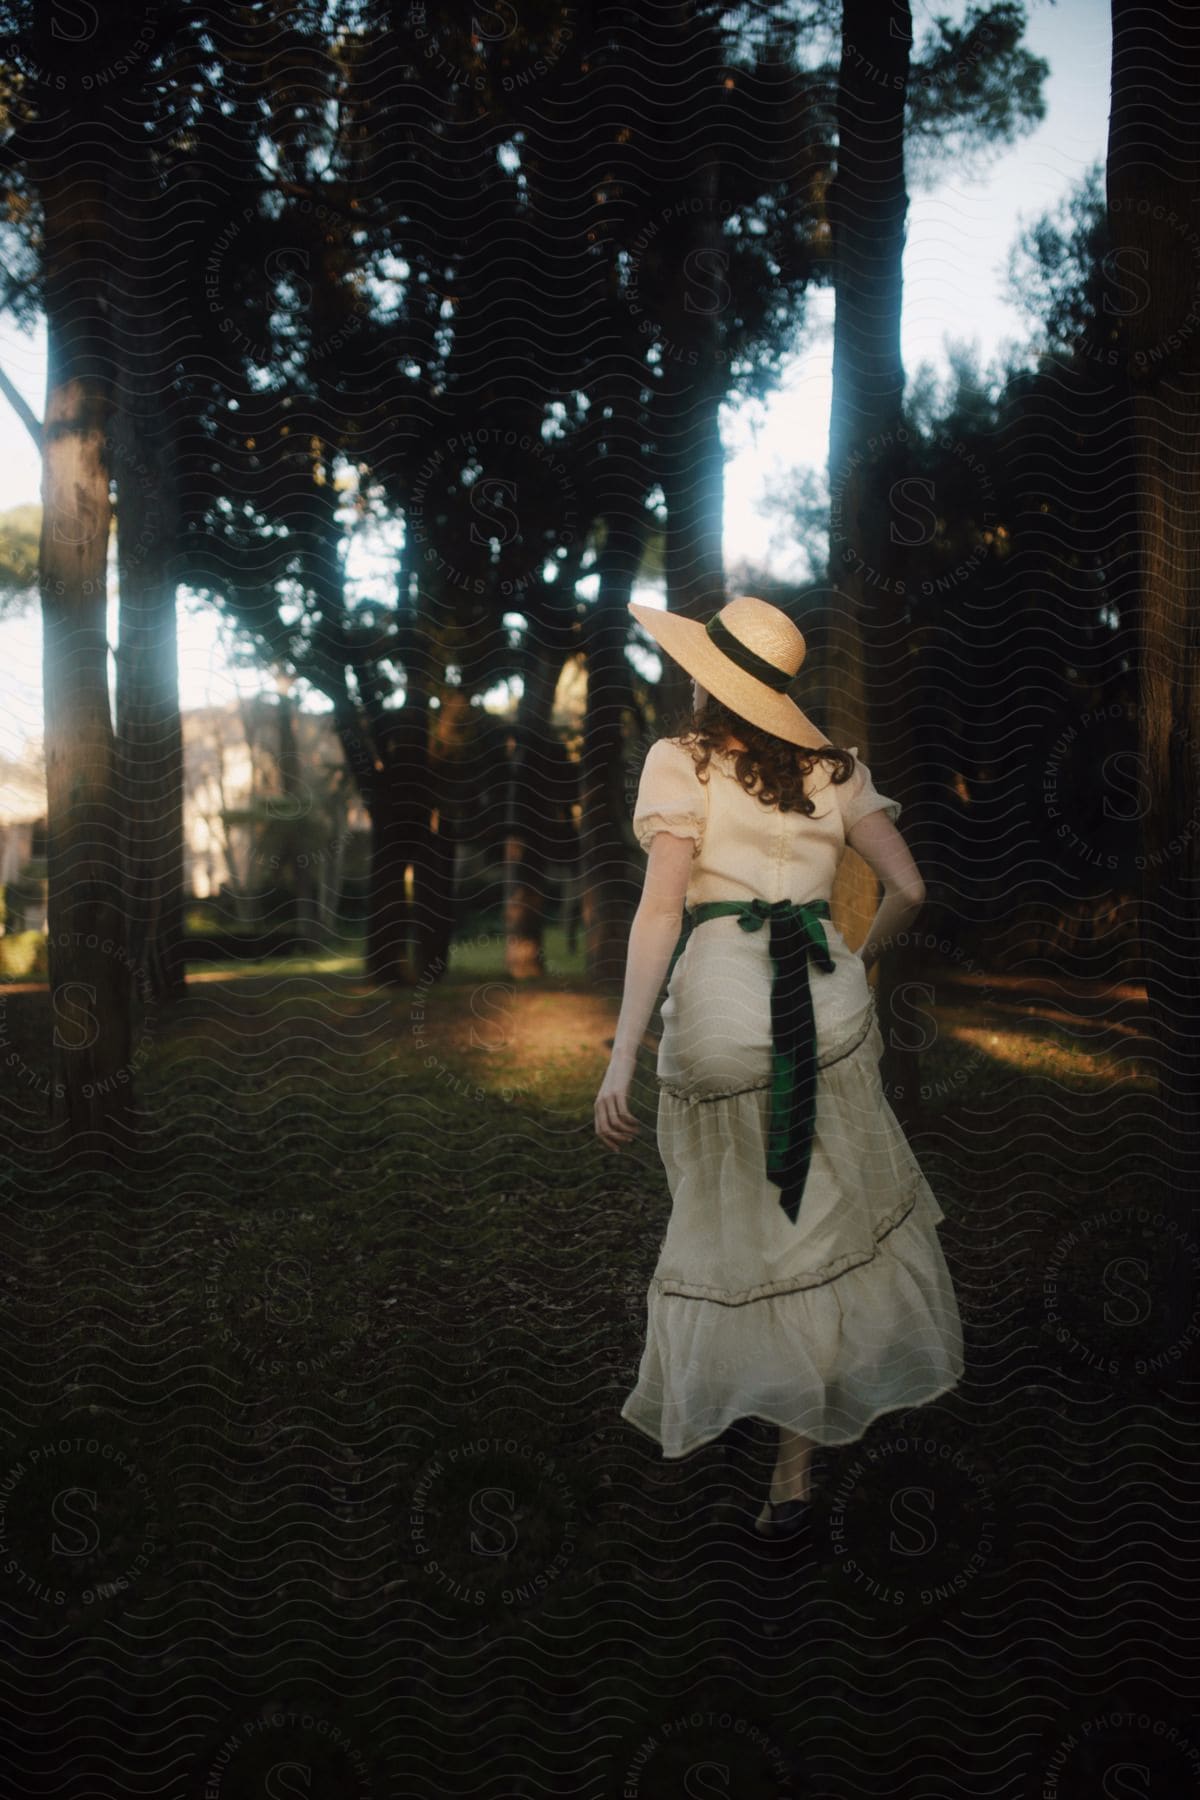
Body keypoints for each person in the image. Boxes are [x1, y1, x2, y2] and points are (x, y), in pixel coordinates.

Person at [594, 595, 964, 1539]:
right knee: (819, 1227)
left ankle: (749, 1395)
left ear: (705, 677)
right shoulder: (837, 771)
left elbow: (660, 914)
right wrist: (857, 962)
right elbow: (911, 887)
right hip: (828, 1007)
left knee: (736, 1224)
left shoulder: (680, 762)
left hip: (719, 1015)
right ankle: (794, 1472)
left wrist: (623, 1051)